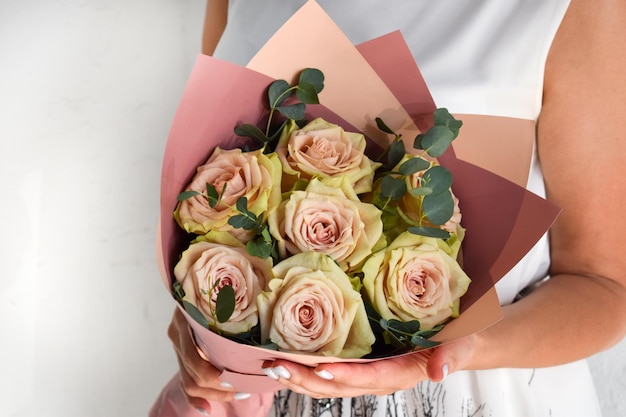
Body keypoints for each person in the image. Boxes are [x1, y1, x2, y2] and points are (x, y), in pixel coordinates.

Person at [151, 0, 626, 416]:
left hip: (466, 395)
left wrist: (461, 350)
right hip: (263, 392)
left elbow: (603, 284)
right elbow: (210, 167)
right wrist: (204, 309)